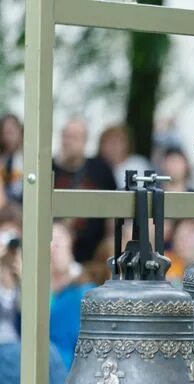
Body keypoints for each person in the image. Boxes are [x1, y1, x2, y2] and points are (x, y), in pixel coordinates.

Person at [53, 118, 117, 264]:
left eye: (74, 137)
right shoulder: (48, 169)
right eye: (65, 136)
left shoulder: (100, 169)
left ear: (85, 141)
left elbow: (115, 208)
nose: (68, 141)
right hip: (55, 253)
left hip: (93, 255)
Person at [50, 221, 96, 370]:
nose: (54, 247)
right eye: (49, 240)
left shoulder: (85, 286)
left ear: (70, 241)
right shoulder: (31, 286)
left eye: (58, 240)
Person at [98, 125, 152, 189]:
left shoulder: (138, 165)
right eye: (107, 143)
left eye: (115, 143)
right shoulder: (96, 168)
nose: (112, 148)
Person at [0, 114, 24, 205]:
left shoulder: (27, 158)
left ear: (20, 132)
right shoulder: (3, 159)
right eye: (4, 133)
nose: (8, 137)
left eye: (11, 132)